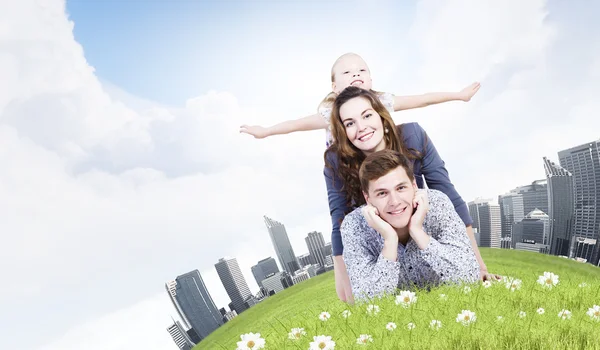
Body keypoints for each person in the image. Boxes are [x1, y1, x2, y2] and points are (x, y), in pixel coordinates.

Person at [324, 86, 495, 304]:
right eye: (350, 123)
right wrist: (347, 285)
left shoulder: (413, 137)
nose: (361, 127)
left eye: (367, 115)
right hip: (377, 235)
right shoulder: (336, 162)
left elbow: (446, 193)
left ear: (382, 116)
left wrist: (478, 265)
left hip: (420, 223)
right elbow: (339, 219)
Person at [239, 52, 480, 148]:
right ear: (334, 87)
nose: (355, 74)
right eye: (347, 72)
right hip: (345, 165)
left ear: (371, 79)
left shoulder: (381, 101)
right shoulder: (331, 113)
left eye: (361, 71)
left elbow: (423, 99)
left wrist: (459, 96)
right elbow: (294, 125)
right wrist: (266, 131)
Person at [341, 149, 479, 301]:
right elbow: (368, 301)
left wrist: (418, 232)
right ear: (368, 199)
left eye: (401, 188)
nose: (395, 201)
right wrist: (390, 241)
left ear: (414, 185)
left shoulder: (437, 203)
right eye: (382, 193)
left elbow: (470, 277)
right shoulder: (354, 226)